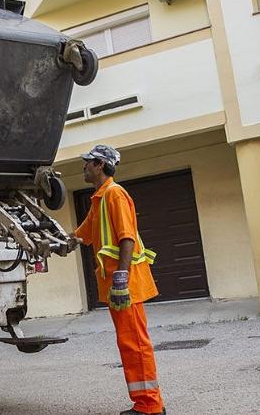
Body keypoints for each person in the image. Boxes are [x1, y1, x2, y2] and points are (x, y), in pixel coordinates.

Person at [73, 145, 165, 415]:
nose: (84, 167)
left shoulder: (115, 194)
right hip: (117, 286)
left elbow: (126, 237)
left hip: (125, 285)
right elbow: (82, 236)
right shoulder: (99, 199)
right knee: (129, 343)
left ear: (100, 164)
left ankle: (150, 406)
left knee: (136, 344)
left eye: (87, 163)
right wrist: (48, 242)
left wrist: (121, 278)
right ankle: (146, 403)